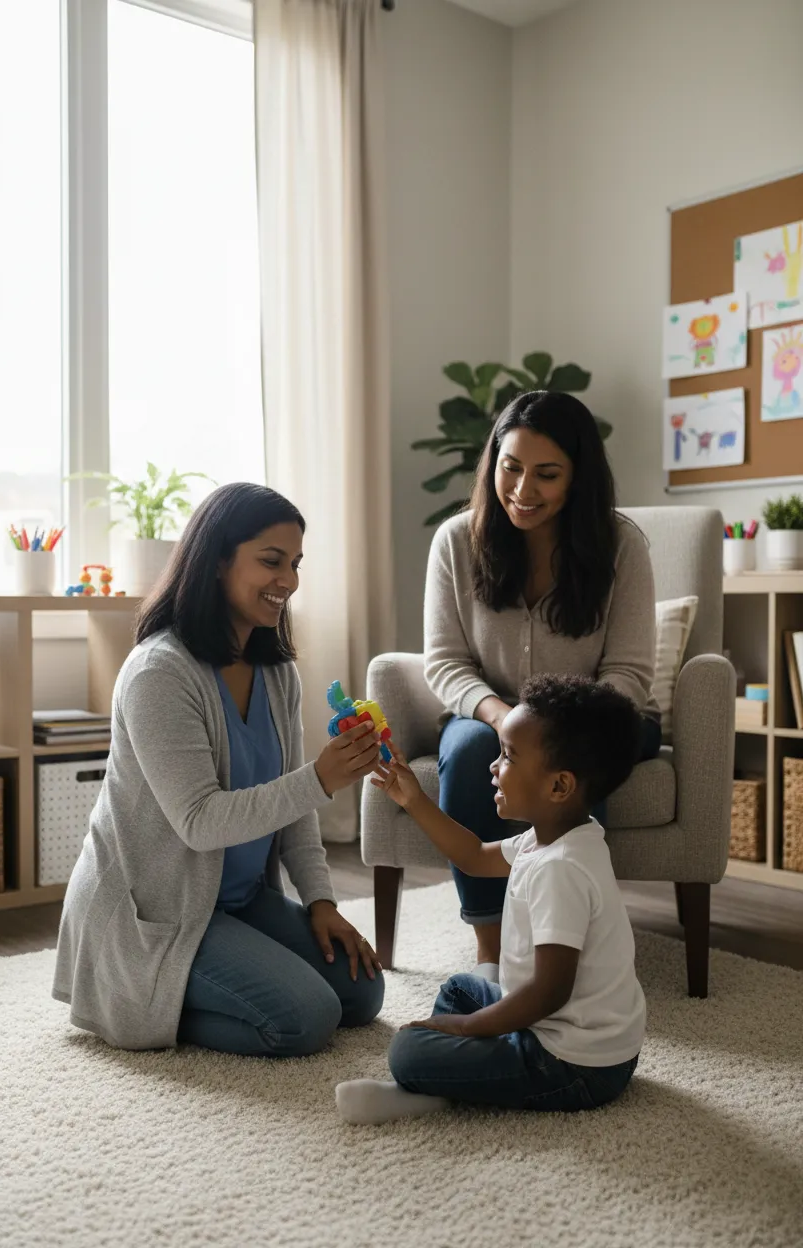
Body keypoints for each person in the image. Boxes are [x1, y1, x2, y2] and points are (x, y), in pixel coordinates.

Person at [53, 482, 385, 1055]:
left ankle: (186, 988)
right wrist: (320, 778)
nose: (289, 580)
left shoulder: (277, 672)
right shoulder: (159, 673)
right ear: (217, 561)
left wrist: (322, 903)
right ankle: (132, 1001)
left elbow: (293, 808)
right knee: (305, 1019)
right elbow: (200, 822)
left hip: (238, 898)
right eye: (271, 561)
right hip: (159, 909)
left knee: (361, 993)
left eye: (296, 564)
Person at [424, 389, 661, 981]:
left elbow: (628, 673)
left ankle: (569, 942)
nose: (523, 491)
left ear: (578, 479)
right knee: (474, 749)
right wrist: (504, 719)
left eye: (547, 475)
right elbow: (445, 663)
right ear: (493, 464)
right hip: (489, 716)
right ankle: (490, 947)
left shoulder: (622, 547)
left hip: (596, 718)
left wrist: (560, 732)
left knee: (571, 762)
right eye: (511, 468)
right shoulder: (456, 541)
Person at [336, 673, 646, 1125]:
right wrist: (414, 799)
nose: (493, 766)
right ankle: (461, 1078)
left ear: (559, 787)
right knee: (460, 989)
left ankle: (434, 1090)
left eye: (508, 756)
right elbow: (472, 857)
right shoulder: (554, 838)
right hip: (562, 1031)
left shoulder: (561, 868)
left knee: (408, 1051)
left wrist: (464, 1029)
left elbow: (550, 991)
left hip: (577, 1063)